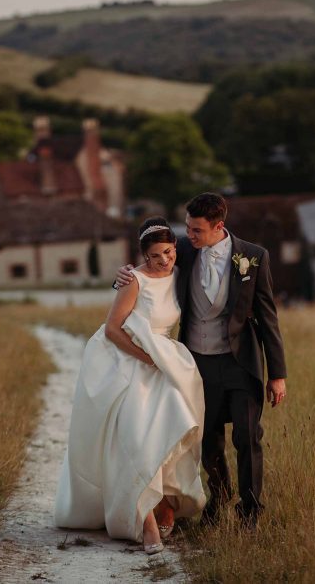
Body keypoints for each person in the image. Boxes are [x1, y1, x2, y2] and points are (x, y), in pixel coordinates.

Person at [114, 193, 287, 529]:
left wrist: (277, 374)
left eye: (195, 230)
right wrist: (121, 276)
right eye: (188, 229)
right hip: (196, 364)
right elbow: (149, 266)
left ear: (218, 226)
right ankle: (218, 499)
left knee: (247, 436)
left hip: (242, 363)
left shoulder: (253, 257)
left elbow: (269, 318)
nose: (187, 235)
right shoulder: (181, 250)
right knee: (207, 438)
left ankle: (250, 511)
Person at [54, 217, 206, 555]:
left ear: (175, 248)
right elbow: (112, 329)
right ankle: (145, 519)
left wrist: (159, 361)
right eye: (154, 256)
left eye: (168, 252)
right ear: (143, 256)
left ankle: (166, 501)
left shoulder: (181, 271)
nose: (163, 260)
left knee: (175, 425)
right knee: (134, 435)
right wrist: (145, 358)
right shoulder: (133, 279)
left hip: (166, 361)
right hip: (129, 360)